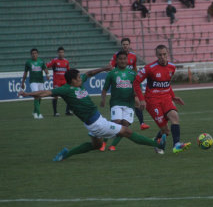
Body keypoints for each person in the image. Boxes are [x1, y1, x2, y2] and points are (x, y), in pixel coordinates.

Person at [19, 67, 166, 161]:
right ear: (72, 81)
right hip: (97, 123)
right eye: (78, 77)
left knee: (96, 145)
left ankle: (65, 154)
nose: (80, 78)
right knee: (126, 131)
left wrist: (103, 69)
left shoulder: (78, 83)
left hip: (93, 122)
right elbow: (45, 92)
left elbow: (89, 74)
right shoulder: (65, 90)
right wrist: (27, 93)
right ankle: (156, 145)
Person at [133, 45, 191, 154]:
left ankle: (176, 145)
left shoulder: (172, 67)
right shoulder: (149, 68)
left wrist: (173, 96)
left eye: (164, 54)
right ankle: (156, 142)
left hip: (166, 98)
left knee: (174, 116)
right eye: (160, 55)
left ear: (167, 53)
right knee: (166, 131)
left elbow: (167, 84)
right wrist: (141, 99)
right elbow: (136, 83)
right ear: (156, 55)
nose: (162, 57)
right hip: (152, 101)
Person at [109, 38, 150, 131]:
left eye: (127, 44)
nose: (125, 46)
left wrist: (136, 78)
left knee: (137, 101)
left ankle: (142, 123)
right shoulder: (116, 56)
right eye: (123, 44)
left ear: (129, 45)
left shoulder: (133, 56)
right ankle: (117, 124)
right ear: (121, 45)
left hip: (130, 82)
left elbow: (134, 68)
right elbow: (111, 67)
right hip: (121, 84)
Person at [100, 51, 137, 151]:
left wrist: (138, 98)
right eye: (120, 59)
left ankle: (113, 145)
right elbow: (105, 88)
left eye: (124, 59)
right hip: (116, 103)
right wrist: (103, 100)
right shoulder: (112, 73)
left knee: (124, 126)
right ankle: (103, 143)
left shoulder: (133, 73)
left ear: (127, 60)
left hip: (129, 104)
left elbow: (137, 88)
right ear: (116, 60)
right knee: (115, 124)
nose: (122, 61)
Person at [21, 48, 49, 119]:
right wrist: (23, 82)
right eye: (33, 53)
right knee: (36, 95)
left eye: (35, 53)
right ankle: (38, 114)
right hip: (33, 81)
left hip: (41, 81)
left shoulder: (41, 61)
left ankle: (35, 111)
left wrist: (47, 74)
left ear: (37, 54)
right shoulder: (28, 62)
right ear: (31, 55)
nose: (34, 55)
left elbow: (45, 69)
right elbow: (25, 73)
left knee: (40, 96)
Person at [46, 47, 71, 117]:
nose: (61, 54)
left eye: (62, 52)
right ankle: (55, 112)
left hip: (65, 82)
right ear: (58, 53)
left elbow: (68, 71)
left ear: (64, 53)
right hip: (57, 82)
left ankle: (67, 111)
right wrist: (47, 74)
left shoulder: (66, 62)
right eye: (60, 52)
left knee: (69, 96)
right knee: (55, 96)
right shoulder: (54, 61)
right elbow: (46, 66)